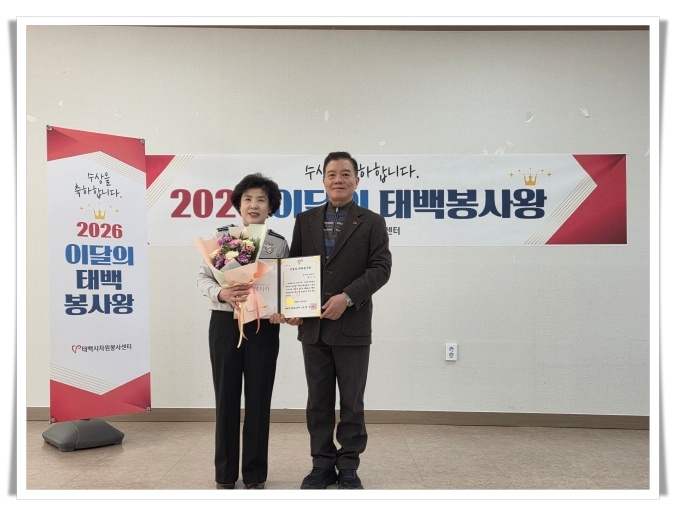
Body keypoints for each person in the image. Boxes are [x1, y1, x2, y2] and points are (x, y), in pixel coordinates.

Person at [287, 151, 392, 490]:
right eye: (332, 174)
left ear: (357, 180)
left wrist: (346, 298)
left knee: (351, 402)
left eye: (345, 174)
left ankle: (348, 465)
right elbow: (295, 266)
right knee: (317, 402)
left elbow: (381, 268)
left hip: (353, 326)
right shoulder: (305, 220)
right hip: (313, 327)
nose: (338, 179)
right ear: (323, 180)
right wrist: (292, 305)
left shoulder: (372, 221)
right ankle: (321, 464)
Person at [197, 172, 289, 490]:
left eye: (261, 199)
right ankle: (225, 475)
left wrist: (284, 309)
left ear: (270, 206)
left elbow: (286, 285)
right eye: (248, 199)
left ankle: (255, 474)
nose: (254, 205)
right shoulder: (223, 237)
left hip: (263, 326)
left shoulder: (278, 243)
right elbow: (202, 278)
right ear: (238, 204)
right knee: (226, 398)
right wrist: (222, 293)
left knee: (259, 399)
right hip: (225, 323)